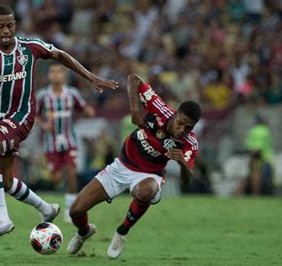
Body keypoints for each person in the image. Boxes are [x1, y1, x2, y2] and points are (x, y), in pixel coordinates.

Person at [0, 5, 118, 238]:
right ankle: (46, 209)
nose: (6, 30)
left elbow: (60, 54)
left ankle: (2, 219)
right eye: (0, 26)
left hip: (22, 115)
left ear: (15, 25)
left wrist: (91, 77)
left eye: (10, 25)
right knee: (7, 183)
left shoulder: (30, 47)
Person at [67, 73, 201, 259]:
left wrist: (182, 163)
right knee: (75, 210)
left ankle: (122, 232)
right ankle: (83, 232)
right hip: (121, 166)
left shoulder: (189, 143)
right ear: (175, 114)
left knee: (147, 191)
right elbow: (133, 79)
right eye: (181, 124)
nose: (182, 130)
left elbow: (187, 180)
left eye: (189, 128)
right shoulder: (158, 108)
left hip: (149, 174)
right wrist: (135, 110)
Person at [36, 63, 96, 222]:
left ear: (63, 76)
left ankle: (70, 210)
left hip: (70, 140)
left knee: (71, 173)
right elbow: (34, 115)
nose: (55, 75)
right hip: (51, 143)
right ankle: (45, 207)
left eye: (58, 72)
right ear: (49, 75)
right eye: (52, 72)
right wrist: (43, 124)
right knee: (55, 177)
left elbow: (83, 108)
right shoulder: (42, 96)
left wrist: (88, 111)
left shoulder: (72, 94)